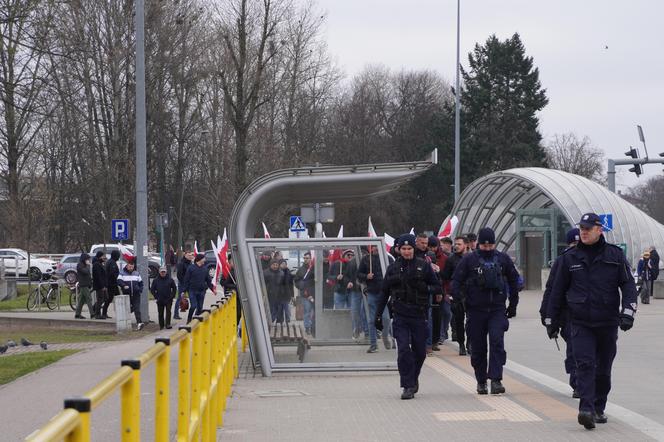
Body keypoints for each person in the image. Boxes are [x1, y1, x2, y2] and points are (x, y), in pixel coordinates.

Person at [546, 213, 637, 430]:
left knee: (603, 369)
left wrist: (628, 312)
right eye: (581, 228)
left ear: (600, 229)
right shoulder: (570, 258)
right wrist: (551, 319)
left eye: (588, 228)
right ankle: (585, 409)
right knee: (585, 365)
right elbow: (556, 291)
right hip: (580, 322)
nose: (583, 232)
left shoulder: (615, 255)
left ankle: (598, 407)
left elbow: (628, 285)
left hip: (607, 322)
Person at [452, 227, 519, 395]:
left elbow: (514, 280)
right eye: (484, 246)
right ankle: (481, 380)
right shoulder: (469, 260)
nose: (487, 249)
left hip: (497, 309)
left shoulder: (503, 259)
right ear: (478, 244)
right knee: (478, 348)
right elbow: (456, 281)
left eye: (490, 246)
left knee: (497, 342)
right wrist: (460, 300)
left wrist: (513, 304)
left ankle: (496, 380)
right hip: (475, 310)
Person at [376, 233, 442, 400]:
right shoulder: (393, 268)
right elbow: (384, 293)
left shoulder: (423, 266)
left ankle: (413, 378)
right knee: (404, 350)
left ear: (414, 249)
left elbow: (437, 287)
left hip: (419, 315)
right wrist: (377, 315)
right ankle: (407, 385)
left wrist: (424, 287)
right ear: (399, 250)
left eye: (409, 248)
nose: (406, 252)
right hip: (400, 316)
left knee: (420, 352)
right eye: (403, 249)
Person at [539, 228, 580, 397]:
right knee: (574, 348)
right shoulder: (562, 261)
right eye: (573, 244)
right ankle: (577, 383)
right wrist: (547, 316)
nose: (576, 247)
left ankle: (583, 382)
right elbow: (551, 290)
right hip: (568, 314)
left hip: (587, 314)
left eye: (578, 244)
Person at [358, 245, 391, 353]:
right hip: (371, 292)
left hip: (384, 293)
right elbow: (358, 274)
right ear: (371, 248)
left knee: (386, 318)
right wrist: (366, 276)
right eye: (374, 247)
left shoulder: (387, 258)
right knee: (372, 320)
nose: (376, 249)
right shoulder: (366, 259)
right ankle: (373, 344)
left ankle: (385, 335)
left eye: (378, 247)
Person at [442, 236, 469, 355]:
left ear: (466, 245)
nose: (456, 246)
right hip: (457, 295)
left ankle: (470, 343)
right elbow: (445, 277)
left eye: (459, 244)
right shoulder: (451, 260)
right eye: (455, 244)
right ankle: (462, 344)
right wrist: (447, 292)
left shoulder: (472, 258)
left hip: (471, 295)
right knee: (458, 321)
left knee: (472, 321)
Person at [427, 236, 450, 352]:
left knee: (441, 315)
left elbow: (446, 276)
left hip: (441, 290)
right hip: (429, 290)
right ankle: (430, 341)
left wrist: (444, 291)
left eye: (434, 246)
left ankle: (438, 338)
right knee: (430, 317)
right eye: (429, 246)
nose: (432, 249)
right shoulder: (425, 257)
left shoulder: (444, 258)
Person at [182, 253, 213, 323]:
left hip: (202, 291)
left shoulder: (205, 269)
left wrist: (212, 289)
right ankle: (189, 320)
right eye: (204, 258)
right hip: (192, 290)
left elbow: (208, 280)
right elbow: (186, 280)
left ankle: (196, 320)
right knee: (193, 306)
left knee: (200, 308)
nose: (205, 260)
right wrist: (183, 291)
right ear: (200, 259)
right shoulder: (191, 268)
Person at [117, 257, 145, 330]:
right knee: (128, 309)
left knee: (137, 309)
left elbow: (141, 283)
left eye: (132, 267)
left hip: (136, 294)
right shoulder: (122, 273)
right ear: (127, 266)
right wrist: (124, 286)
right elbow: (119, 281)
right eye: (130, 266)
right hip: (127, 294)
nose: (131, 268)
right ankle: (124, 320)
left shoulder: (136, 273)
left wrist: (140, 290)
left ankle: (139, 323)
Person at [294, 252, 315, 334]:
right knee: (307, 311)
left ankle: (313, 326)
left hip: (314, 293)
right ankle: (307, 327)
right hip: (305, 294)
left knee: (313, 311)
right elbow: (296, 280)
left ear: (311, 259)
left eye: (307, 258)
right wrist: (301, 285)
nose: (306, 259)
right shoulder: (301, 270)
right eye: (305, 258)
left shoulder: (314, 268)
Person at [174, 251, 194, 320]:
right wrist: (183, 282)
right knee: (179, 298)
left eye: (191, 255)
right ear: (185, 255)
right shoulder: (181, 263)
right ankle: (176, 314)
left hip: (190, 283)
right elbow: (179, 275)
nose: (190, 256)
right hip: (182, 283)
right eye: (188, 255)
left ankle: (193, 313)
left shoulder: (191, 263)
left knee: (192, 297)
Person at [264, 259, 285, 323]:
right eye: (273, 265)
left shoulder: (281, 273)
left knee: (280, 309)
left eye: (276, 265)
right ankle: (270, 321)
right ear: (270, 265)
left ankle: (279, 321)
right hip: (269, 294)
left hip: (279, 294)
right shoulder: (266, 272)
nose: (275, 266)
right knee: (271, 309)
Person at [75, 253, 94, 319]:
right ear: (84, 259)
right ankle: (92, 314)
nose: (88, 260)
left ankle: (77, 314)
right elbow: (85, 272)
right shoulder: (80, 265)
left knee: (81, 300)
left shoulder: (84, 265)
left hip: (86, 284)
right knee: (89, 298)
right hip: (83, 284)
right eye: (87, 259)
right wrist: (88, 266)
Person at [103, 250, 121, 319]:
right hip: (112, 284)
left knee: (111, 298)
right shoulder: (112, 263)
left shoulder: (110, 262)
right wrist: (118, 278)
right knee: (111, 298)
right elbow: (113, 273)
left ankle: (104, 312)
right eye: (118, 256)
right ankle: (104, 312)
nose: (118, 257)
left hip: (111, 283)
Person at [91, 251, 107, 319]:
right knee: (100, 299)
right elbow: (98, 276)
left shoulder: (100, 264)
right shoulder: (97, 264)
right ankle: (97, 314)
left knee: (104, 298)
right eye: (103, 256)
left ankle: (95, 308)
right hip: (99, 285)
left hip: (102, 285)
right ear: (99, 256)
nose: (104, 257)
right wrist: (102, 286)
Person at [278, 259, 294, 323]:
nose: (284, 265)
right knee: (280, 309)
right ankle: (280, 321)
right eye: (282, 264)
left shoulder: (288, 273)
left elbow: (291, 285)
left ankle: (288, 321)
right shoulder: (277, 272)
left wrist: (292, 295)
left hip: (287, 294)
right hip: (279, 294)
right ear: (279, 265)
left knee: (287, 309)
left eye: (285, 264)